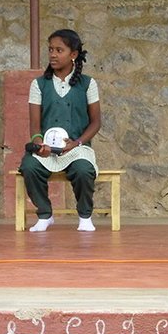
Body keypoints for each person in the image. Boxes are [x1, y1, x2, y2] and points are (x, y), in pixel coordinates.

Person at [19, 29, 101, 232]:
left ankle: (84, 216)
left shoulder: (88, 84)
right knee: (29, 167)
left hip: (76, 147)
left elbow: (96, 122)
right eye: (50, 50)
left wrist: (77, 143)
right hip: (46, 148)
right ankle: (45, 214)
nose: (53, 54)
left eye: (59, 50)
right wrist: (38, 143)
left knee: (83, 170)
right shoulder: (38, 84)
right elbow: (35, 125)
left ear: (73, 55)